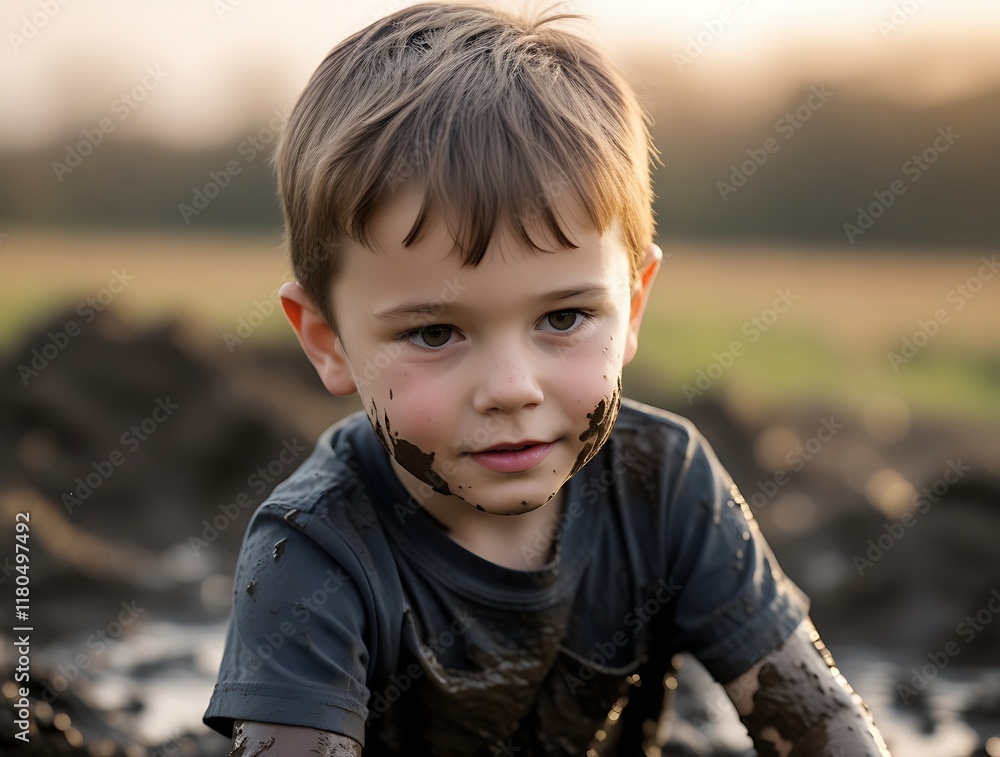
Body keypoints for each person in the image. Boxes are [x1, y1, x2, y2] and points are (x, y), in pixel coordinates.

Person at [203, 2, 891, 755]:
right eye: (435, 332)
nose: (511, 387)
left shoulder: (664, 485)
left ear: (632, 305)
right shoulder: (311, 554)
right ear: (328, 340)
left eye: (563, 318)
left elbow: (822, 726)